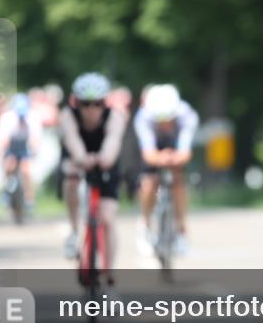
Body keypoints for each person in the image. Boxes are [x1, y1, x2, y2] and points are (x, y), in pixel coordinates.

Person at [58, 72, 127, 261]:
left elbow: (113, 142)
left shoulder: (115, 116)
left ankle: (109, 276)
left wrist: (105, 158)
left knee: (108, 219)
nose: (91, 110)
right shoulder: (67, 116)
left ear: (104, 103)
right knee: (70, 175)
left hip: (104, 160)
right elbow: (72, 140)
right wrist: (81, 158)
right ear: (77, 103)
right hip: (77, 158)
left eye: (97, 104)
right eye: (85, 104)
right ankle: (74, 230)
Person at [133, 84, 198, 256]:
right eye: (159, 120)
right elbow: (148, 153)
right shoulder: (143, 117)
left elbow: (185, 151)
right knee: (148, 183)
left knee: (178, 181)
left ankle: (182, 231)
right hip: (154, 148)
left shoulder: (187, 115)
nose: (164, 124)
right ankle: (145, 225)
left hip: (176, 145)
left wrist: (175, 158)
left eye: (167, 119)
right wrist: (159, 158)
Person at [0, 93, 41, 212]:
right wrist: (3, 155)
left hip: (24, 147)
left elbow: (34, 139)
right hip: (11, 147)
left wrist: (34, 153)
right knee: (9, 166)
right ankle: (6, 190)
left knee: (26, 171)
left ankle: (29, 200)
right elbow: (3, 141)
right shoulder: (7, 119)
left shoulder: (32, 118)